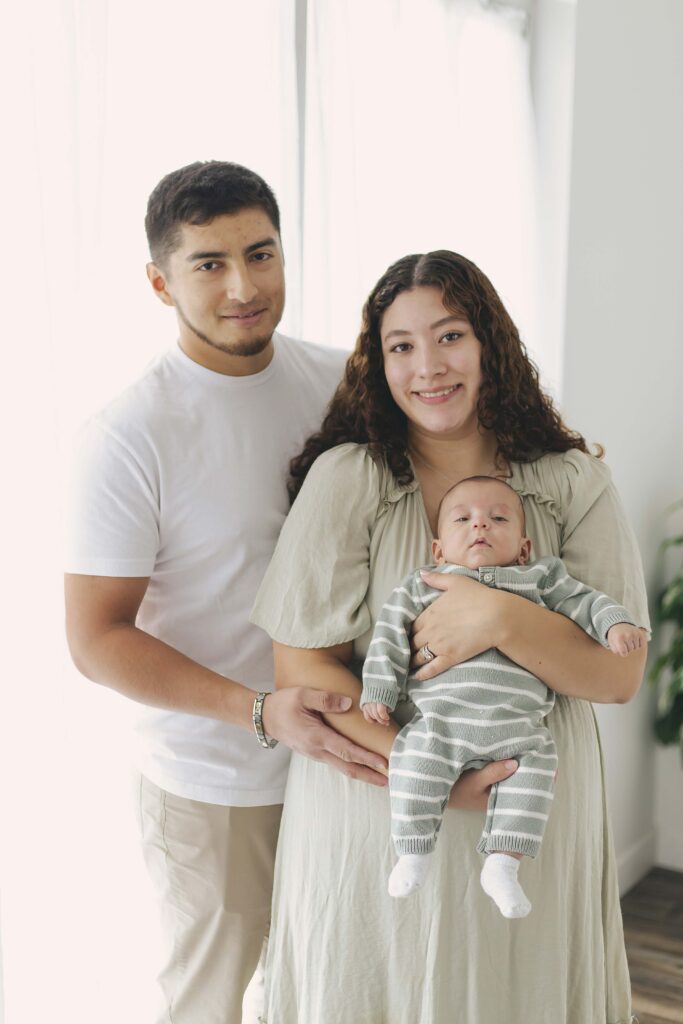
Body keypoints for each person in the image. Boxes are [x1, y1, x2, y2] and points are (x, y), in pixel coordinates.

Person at [250, 250, 650, 1023]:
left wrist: (499, 617)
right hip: (378, 806)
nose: (427, 366)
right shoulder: (350, 479)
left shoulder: (569, 481)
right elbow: (303, 663)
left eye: (449, 336)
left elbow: (615, 677)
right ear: (379, 362)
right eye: (400, 346)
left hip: (532, 808)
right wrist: (423, 773)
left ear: (489, 344)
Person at [63, 159, 394, 1024]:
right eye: (208, 264)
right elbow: (96, 637)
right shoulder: (129, 434)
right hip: (216, 783)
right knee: (209, 1003)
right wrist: (258, 710)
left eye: (261, 253)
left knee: (328, 990)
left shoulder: (340, 383)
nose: (243, 286)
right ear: (159, 282)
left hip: (346, 761)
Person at [361, 474, 643, 916]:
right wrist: (379, 687)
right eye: (463, 519)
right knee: (411, 762)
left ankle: (502, 864)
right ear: (438, 549)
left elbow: (587, 602)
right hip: (442, 724)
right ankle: (414, 850)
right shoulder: (424, 583)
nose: (480, 526)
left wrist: (616, 624)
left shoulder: (540, 579)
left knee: (536, 774)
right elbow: (388, 635)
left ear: (524, 547)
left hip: (519, 730)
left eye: (496, 518)